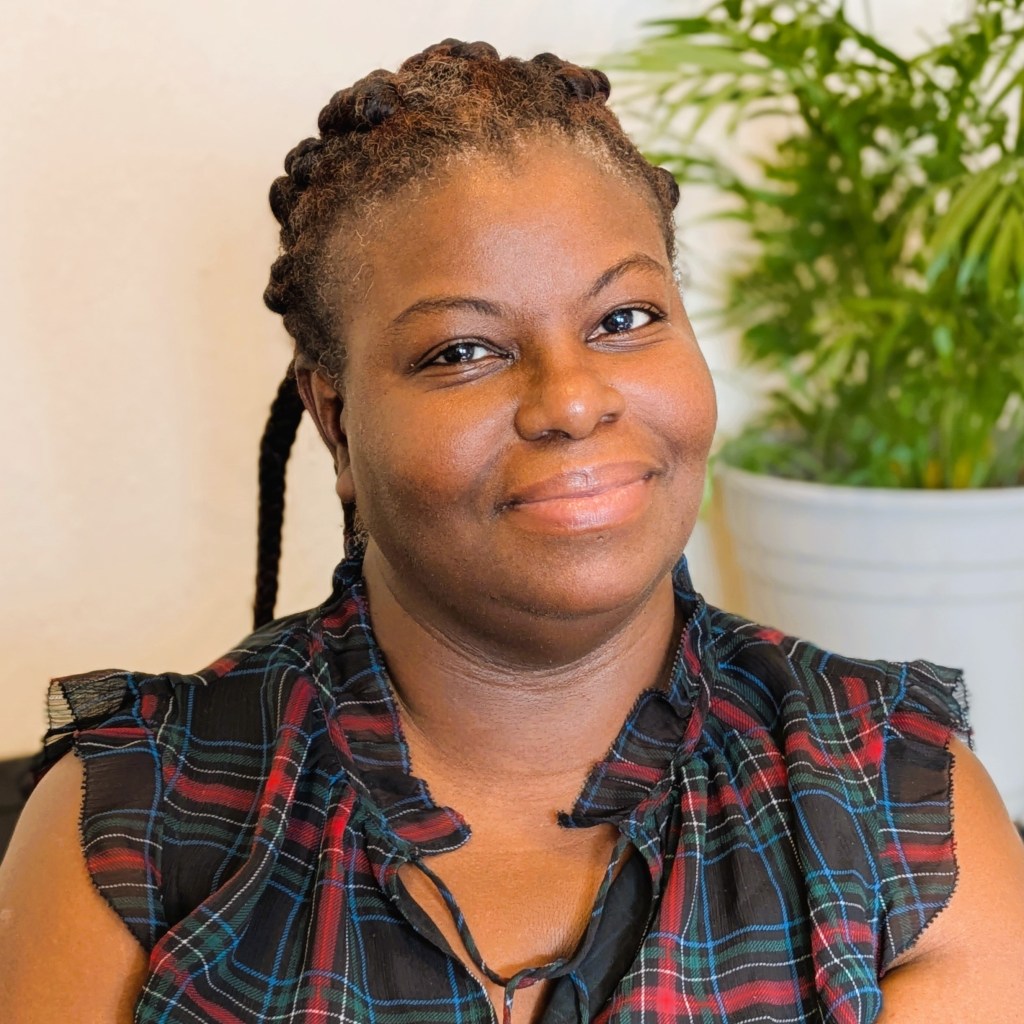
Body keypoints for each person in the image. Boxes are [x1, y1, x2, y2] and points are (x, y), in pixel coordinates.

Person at [1, 38, 1022, 1024]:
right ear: (336, 421)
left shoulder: (896, 804)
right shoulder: (135, 819)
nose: (572, 400)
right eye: (462, 350)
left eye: (625, 319)